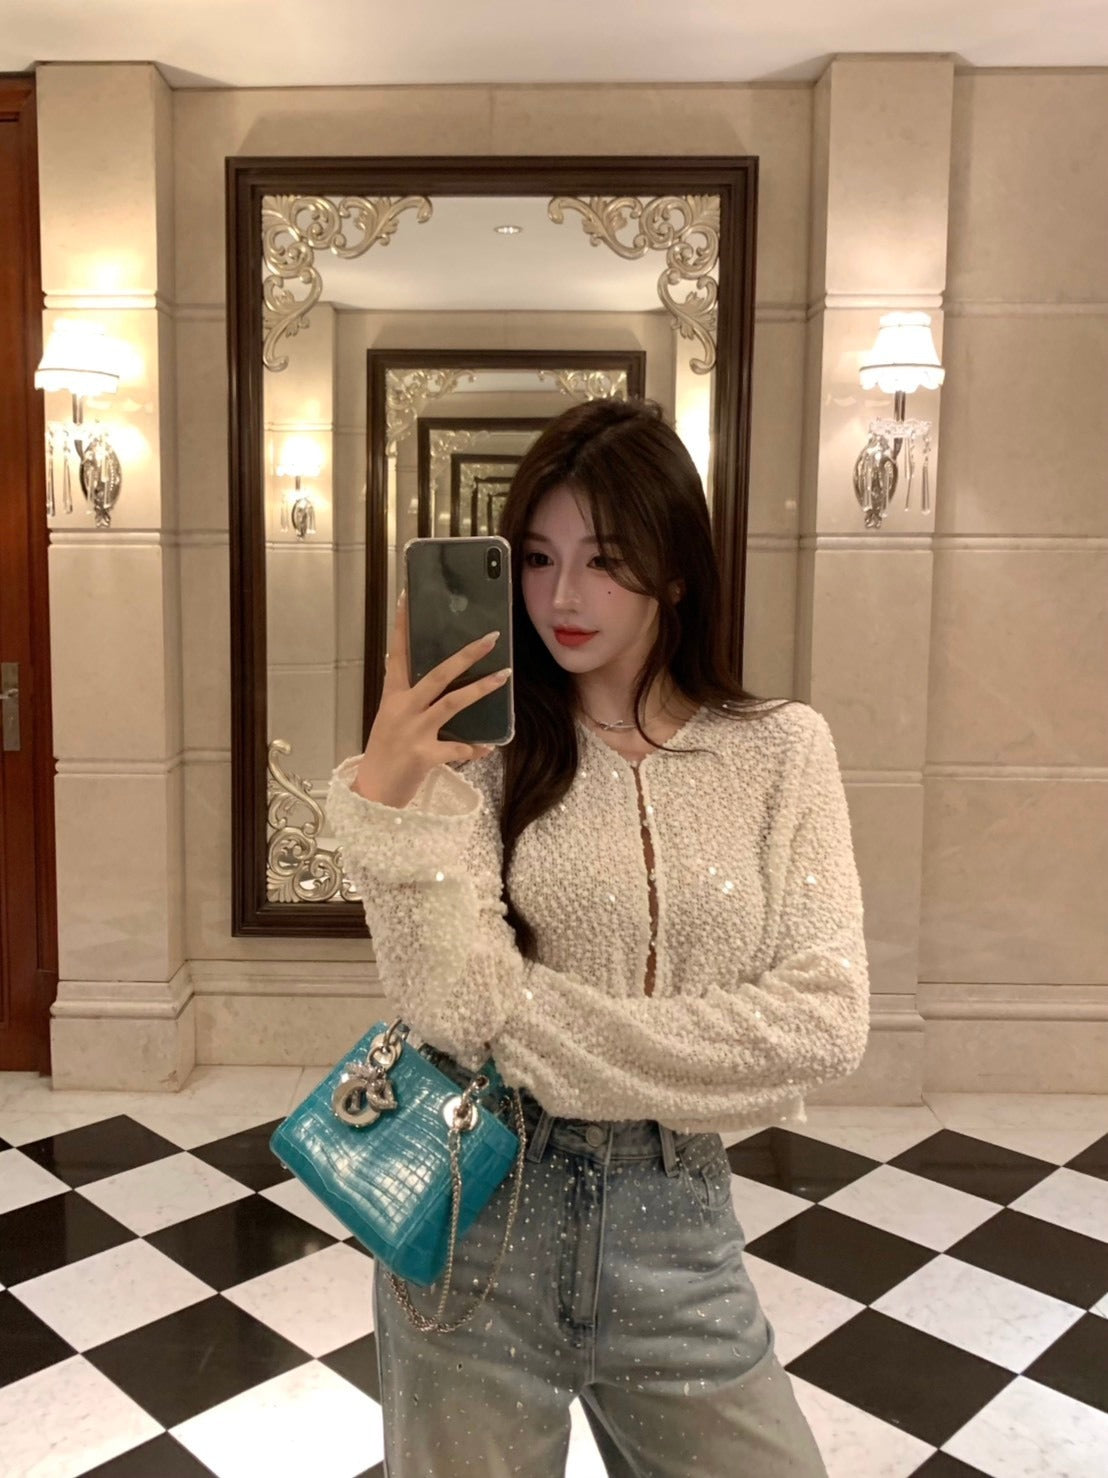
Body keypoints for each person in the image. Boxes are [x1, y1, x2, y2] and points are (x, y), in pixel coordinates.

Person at [326, 397, 869, 1477]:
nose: (562, 597)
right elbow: (448, 1005)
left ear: (677, 570)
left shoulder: (781, 752)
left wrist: (523, 1019)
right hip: (474, 1214)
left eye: (605, 560)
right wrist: (393, 787)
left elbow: (824, 1021)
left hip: (677, 1224)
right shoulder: (479, 754)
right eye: (537, 558)